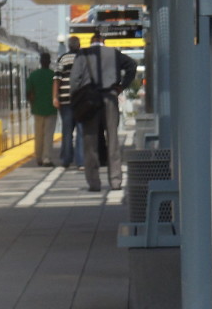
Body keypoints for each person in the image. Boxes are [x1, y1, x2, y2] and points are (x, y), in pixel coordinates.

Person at [69, 31, 137, 191]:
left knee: (90, 142)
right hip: (110, 98)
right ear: (103, 41)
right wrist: (121, 86)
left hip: (89, 101)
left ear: (91, 41)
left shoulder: (82, 54)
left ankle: (94, 182)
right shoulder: (113, 53)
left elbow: (74, 80)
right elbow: (132, 65)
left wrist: (77, 98)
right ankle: (115, 181)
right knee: (113, 139)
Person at [52, 36, 84, 170]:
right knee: (81, 132)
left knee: (67, 131)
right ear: (79, 45)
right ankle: (81, 161)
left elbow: (57, 79)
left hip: (65, 101)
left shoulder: (63, 59)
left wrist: (55, 97)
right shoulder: (84, 59)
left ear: (69, 46)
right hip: (81, 101)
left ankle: (66, 160)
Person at [26, 52, 56, 167]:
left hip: (37, 110)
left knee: (38, 135)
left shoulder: (34, 75)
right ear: (49, 62)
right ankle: (46, 158)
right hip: (51, 109)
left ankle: (38, 157)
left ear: (40, 62)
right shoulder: (53, 75)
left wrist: (33, 103)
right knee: (48, 135)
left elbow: (28, 92)